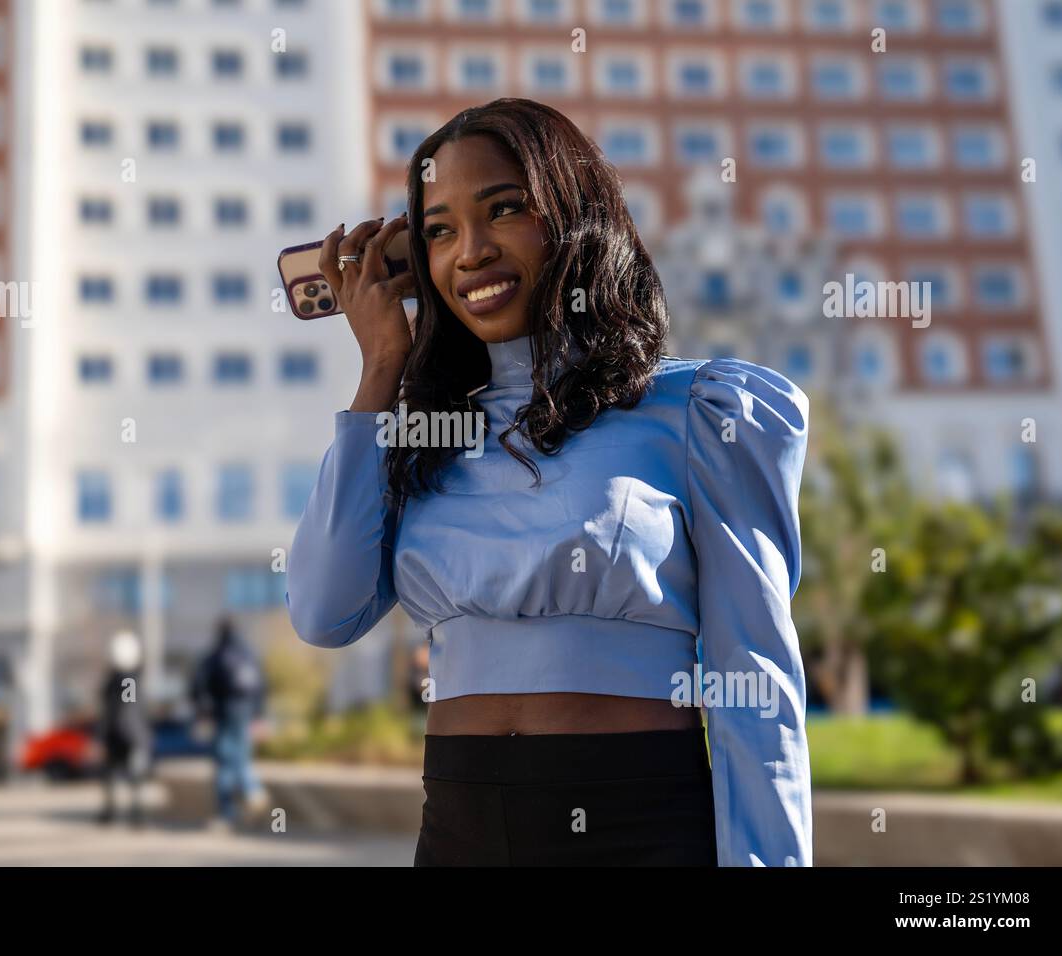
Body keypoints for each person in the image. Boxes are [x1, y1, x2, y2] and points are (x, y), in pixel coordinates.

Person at [287, 98, 812, 866]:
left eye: (503, 210)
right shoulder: (422, 433)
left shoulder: (701, 411)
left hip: (640, 826)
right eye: (437, 231)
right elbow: (324, 613)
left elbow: (754, 680)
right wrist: (379, 372)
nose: (469, 253)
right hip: (458, 830)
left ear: (573, 213)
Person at [191, 618, 268, 832]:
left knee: (224, 762)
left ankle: (226, 815)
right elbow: (261, 686)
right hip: (246, 713)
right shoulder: (249, 656)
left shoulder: (215, 656)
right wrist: (260, 715)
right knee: (241, 758)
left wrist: (202, 714)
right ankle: (253, 790)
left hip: (223, 713)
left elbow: (199, 687)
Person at [97, 630, 150, 827]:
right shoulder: (124, 679)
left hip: (123, 734)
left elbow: (127, 708)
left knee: (127, 775)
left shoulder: (125, 680)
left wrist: (122, 732)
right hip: (126, 733)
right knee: (121, 775)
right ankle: (122, 812)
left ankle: (133, 813)